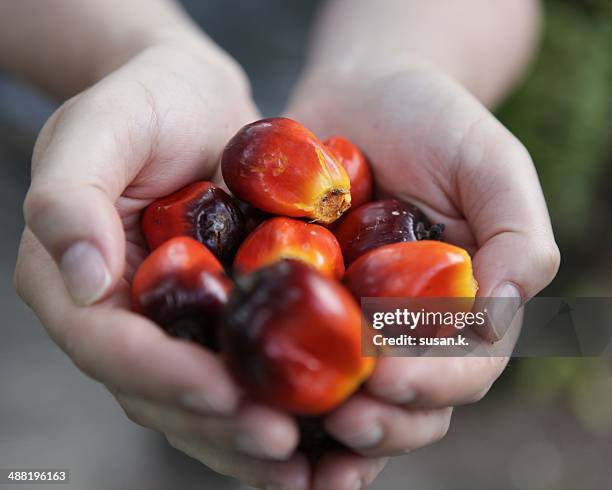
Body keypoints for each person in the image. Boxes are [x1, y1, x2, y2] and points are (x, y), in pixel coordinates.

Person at [4, 1, 559, 488]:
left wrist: (398, 60)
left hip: (260, 109)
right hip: (82, 157)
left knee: (227, 415)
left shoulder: (312, 232)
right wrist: (130, 49)